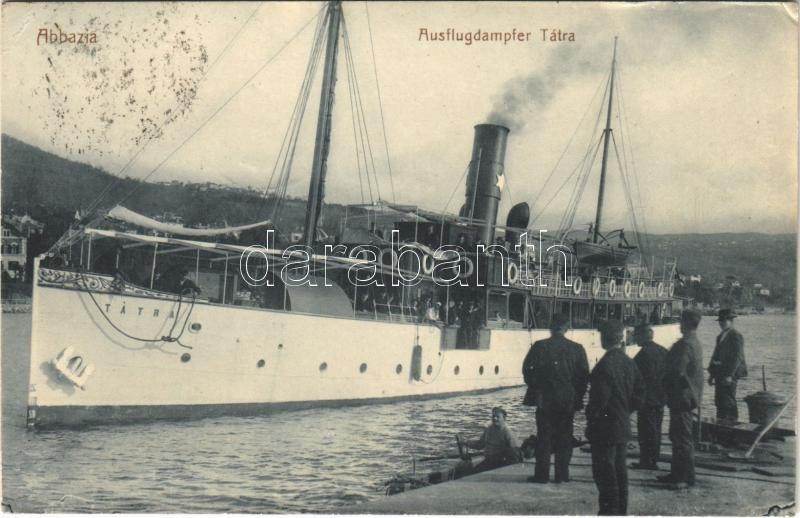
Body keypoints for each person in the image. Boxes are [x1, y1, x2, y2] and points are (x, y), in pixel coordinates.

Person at [522, 313, 589, 483]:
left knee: (544, 437)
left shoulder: (539, 346)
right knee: (565, 438)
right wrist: (576, 396)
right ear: (567, 328)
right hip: (567, 400)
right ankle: (562, 475)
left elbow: (526, 369)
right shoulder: (577, 348)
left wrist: (536, 388)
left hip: (545, 400)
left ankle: (542, 475)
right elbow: (583, 377)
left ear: (551, 327)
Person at [586, 320, 644, 515]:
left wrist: (592, 420)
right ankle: (621, 511)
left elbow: (598, 401)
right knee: (620, 473)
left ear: (604, 339)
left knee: (604, 474)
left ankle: (608, 512)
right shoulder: (630, 363)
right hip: (622, 425)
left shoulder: (604, 366)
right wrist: (625, 411)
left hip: (605, 428)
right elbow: (640, 393)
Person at [659, 309, 704, 490]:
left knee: (682, 437)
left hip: (682, 396)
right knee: (678, 436)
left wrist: (665, 386)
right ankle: (677, 473)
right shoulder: (694, 342)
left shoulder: (685, 345)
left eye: (681, 322)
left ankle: (686, 477)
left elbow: (677, 371)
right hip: (688, 395)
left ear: (685, 323)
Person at [632, 323, 668, 470]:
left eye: (636, 335)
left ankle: (647, 460)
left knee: (646, 431)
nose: (634, 338)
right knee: (656, 429)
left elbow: (636, 379)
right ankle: (653, 458)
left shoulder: (642, 355)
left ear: (642, 336)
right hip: (661, 397)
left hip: (647, 399)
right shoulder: (663, 351)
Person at [707, 309, 747, 421]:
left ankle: (732, 424)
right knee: (719, 400)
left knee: (728, 400)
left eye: (724, 321)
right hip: (720, 374)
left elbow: (737, 357)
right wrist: (712, 375)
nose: (721, 323)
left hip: (730, 375)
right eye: (720, 321)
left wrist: (729, 375)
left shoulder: (736, 336)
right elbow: (715, 356)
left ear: (731, 321)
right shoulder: (720, 336)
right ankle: (721, 423)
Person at [458, 407, 521, 474]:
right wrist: (466, 442)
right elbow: (480, 445)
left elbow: (516, 454)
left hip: (500, 463)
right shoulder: (488, 429)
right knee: (470, 472)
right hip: (488, 461)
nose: (495, 418)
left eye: (498, 417)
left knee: (473, 473)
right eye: (493, 416)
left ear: (504, 419)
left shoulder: (508, 433)